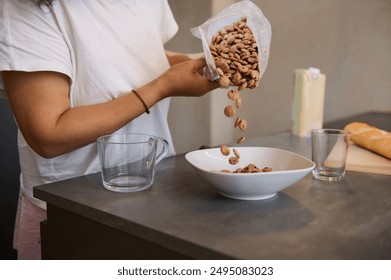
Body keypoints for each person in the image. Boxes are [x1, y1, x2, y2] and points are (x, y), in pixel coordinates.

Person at [0, 0, 219, 259]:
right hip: (71, 210)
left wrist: (196, 65)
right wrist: (163, 87)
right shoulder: (25, 8)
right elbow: (48, 135)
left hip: (154, 190)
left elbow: (137, 55)